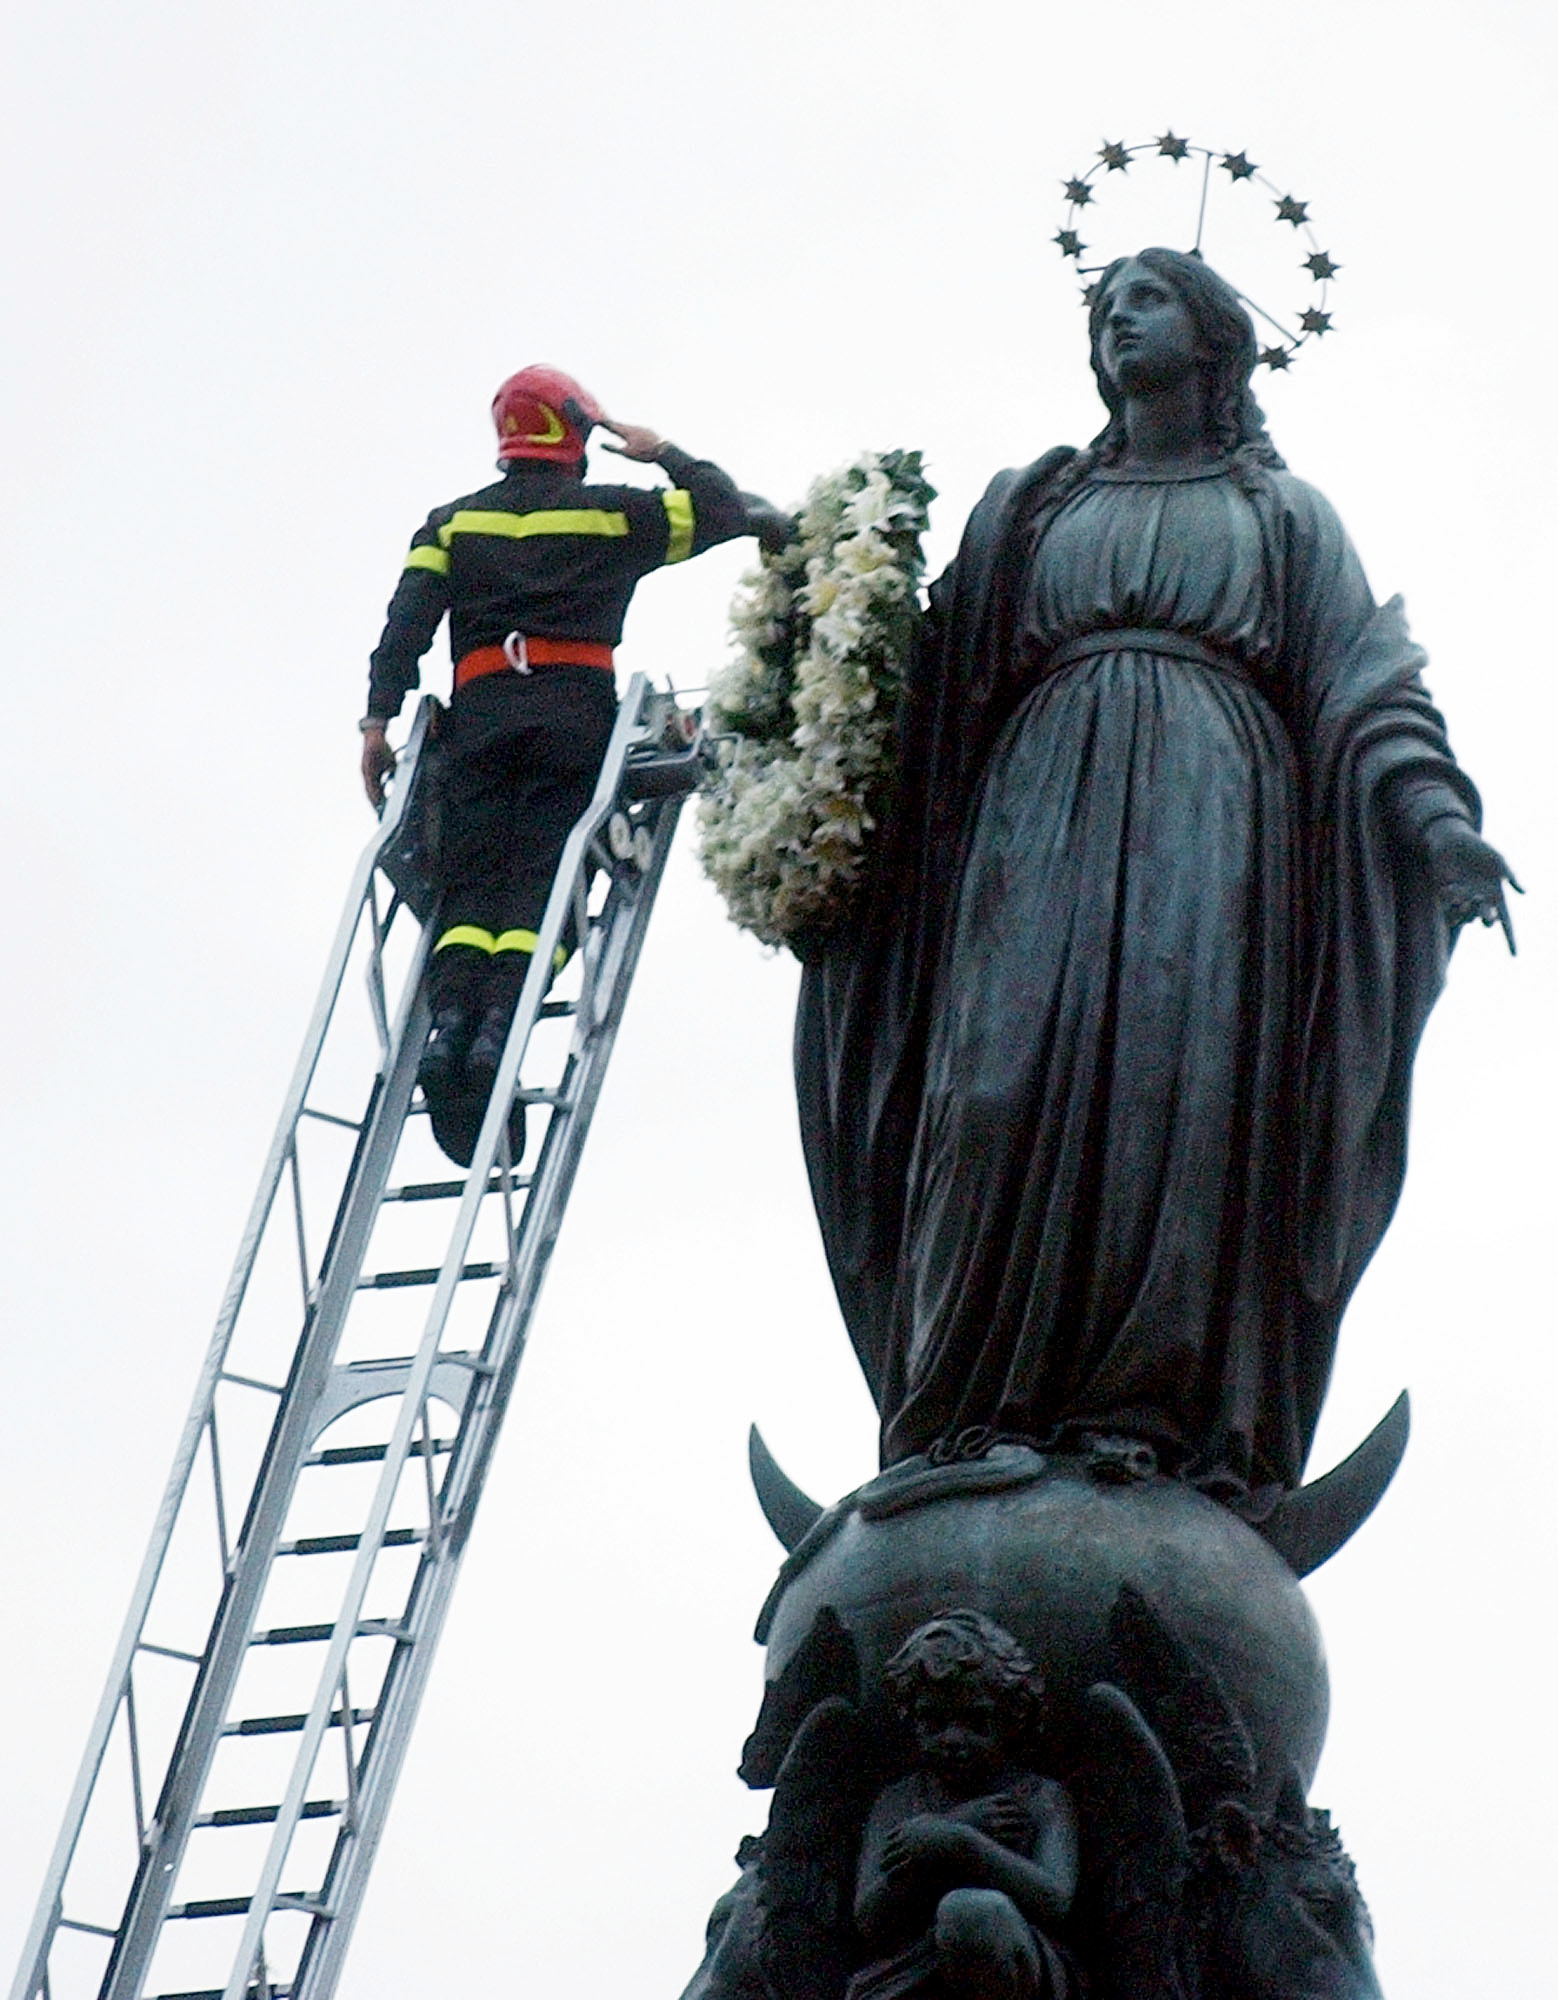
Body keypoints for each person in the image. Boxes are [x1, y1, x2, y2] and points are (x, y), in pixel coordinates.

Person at [795, 250, 1516, 1501]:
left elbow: (1366, 685)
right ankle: (972, 1404)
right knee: (988, 1089)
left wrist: (1433, 820)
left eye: (1148, 297)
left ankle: (1149, 1412)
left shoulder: (1283, 515)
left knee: (1169, 1099)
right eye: (1104, 305)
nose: (1120, 317)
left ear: (1212, 336)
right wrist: (807, 651)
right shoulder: (1033, 505)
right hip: (1031, 816)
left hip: (1216, 819)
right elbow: (918, 688)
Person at [361, 365, 768, 1157]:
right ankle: (496, 1039)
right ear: (575, 431)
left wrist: (377, 723)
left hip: (476, 727)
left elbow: (403, 627)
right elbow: (722, 510)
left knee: (470, 891)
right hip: (570, 722)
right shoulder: (612, 515)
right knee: (545, 886)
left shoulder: (451, 526)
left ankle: (449, 1032)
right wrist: (659, 451)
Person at [851, 1611, 1080, 2000]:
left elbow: (1055, 1899)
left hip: (1014, 1966)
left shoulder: (1040, 1797)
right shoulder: (899, 1801)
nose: (954, 1739)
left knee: (973, 1913)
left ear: (1012, 1718)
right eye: (934, 1723)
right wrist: (945, 1834)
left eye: (976, 1721)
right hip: (909, 1973)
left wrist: (959, 1842)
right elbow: (870, 1917)